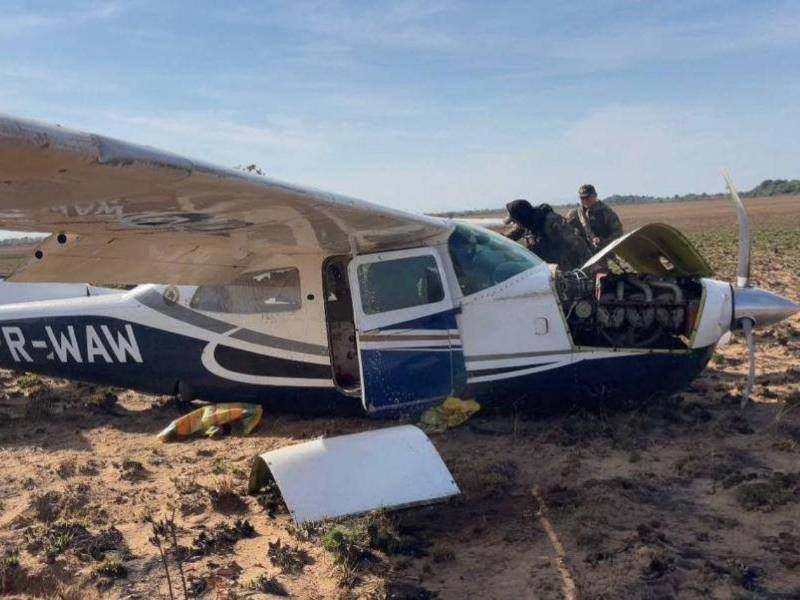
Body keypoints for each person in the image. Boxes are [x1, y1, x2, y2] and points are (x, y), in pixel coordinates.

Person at [504, 199, 591, 270]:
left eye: (515, 221)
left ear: (521, 217)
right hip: (542, 269)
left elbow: (577, 242)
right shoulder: (525, 224)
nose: (515, 224)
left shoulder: (551, 222)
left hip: (563, 270)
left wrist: (590, 265)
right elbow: (507, 238)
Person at [566, 184, 623, 253]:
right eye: (582, 198)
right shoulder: (574, 214)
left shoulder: (606, 212)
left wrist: (603, 242)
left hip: (603, 252)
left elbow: (618, 233)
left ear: (595, 196)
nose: (585, 200)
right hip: (583, 254)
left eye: (587, 197)